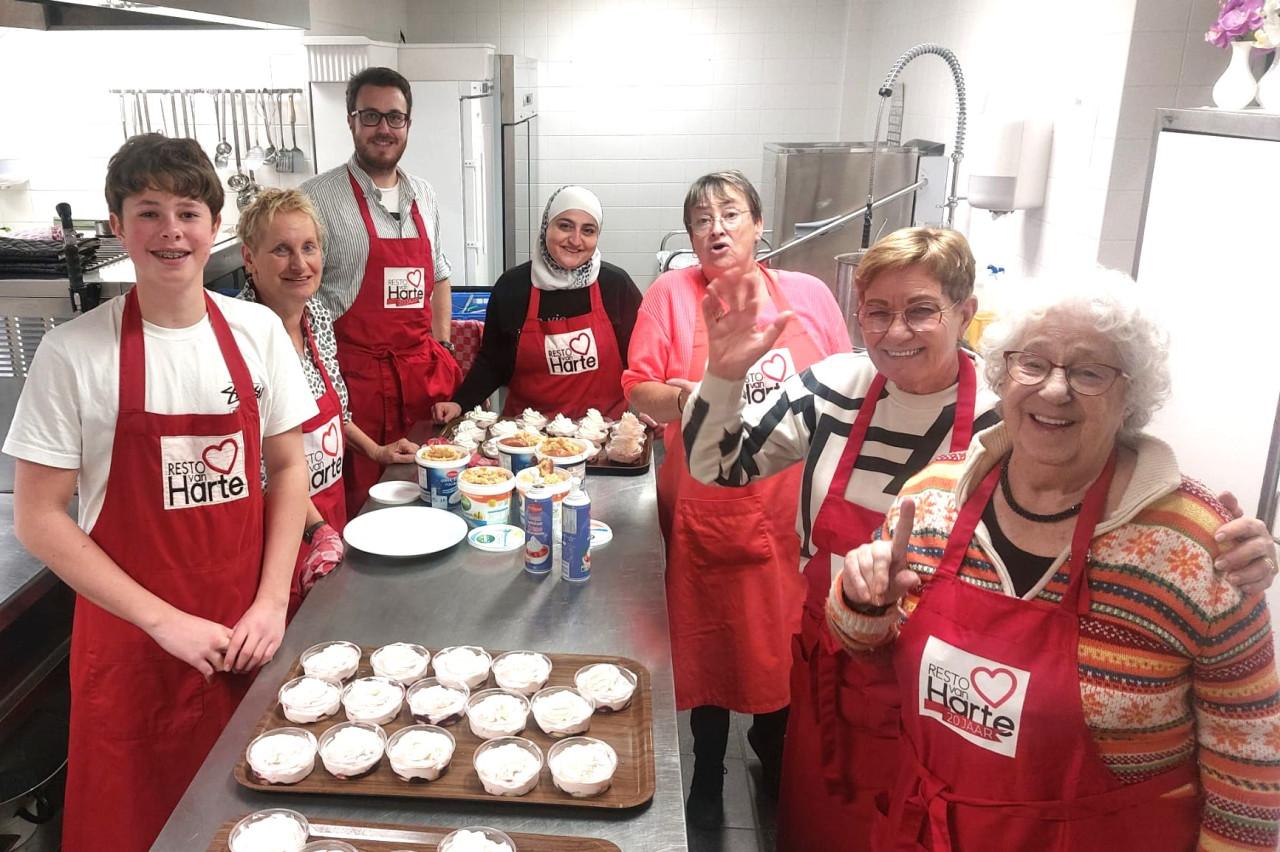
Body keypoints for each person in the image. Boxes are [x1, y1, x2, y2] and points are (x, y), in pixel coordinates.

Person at [681, 228, 1280, 851]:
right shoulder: (841, 395)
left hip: (952, 722)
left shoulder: (1014, 412)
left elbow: (1115, 486)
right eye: (878, 312)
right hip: (846, 656)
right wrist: (723, 376)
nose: (896, 331)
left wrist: (1221, 539)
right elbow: (716, 464)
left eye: (921, 310)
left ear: (965, 313)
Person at [830, 271, 1280, 851]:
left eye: (1090, 372)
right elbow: (865, 648)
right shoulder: (933, 498)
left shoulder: (1196, 550)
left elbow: (1250, 764)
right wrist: (860, 601)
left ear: (1131, 395)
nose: (1054, 389)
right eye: (1033, 363)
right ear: (1004, 374)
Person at [4, 135, 315, 851]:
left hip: (246, 634)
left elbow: (289, 468)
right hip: (134, 650)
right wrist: (164, 623)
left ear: (215, 225)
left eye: (187, 212)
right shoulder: (73, 353)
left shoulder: (257, 332)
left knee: (256, 822)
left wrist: (271, 602)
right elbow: (38, 517)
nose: (170, 231)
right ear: (118, 225)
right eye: (148, 212)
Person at [622, 170, 853, 829]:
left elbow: (847, 384)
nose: (715, 229)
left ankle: (776, 758)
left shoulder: (807, 294)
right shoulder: (671, 295)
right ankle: (707, 770)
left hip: (796, 517)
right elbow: (638, 390)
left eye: (729, 214)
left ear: (758, 224)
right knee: (714, 644)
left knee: (788, 644)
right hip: (710, 511)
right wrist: (697, 396)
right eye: (701, 220)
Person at [236, 188, 418, 617]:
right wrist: (316, 528)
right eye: (281, 250)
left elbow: (337, 414)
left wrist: (376, 451)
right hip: (278, 525)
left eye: (308, 247)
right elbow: (260, 466)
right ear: (249, 258)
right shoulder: (238, 336)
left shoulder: (316, 316)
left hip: (329, 508)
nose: (299, 264)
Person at [303, 66, 460, 516]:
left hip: (421, 381)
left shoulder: (424, 194)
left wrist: (443, 347)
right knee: (362, 508)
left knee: (433, 499)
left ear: (408, 123)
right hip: (356, 388)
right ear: (350, 121)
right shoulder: (316, 197)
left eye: (395, 117)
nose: (384, 128)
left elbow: (439, 275)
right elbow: (297, 296)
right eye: (370, 116)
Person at [433, 185, 642, 422]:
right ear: (545, 227)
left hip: (604, 433)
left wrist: (650, 407)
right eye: (565, 226)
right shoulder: (513, 287)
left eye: (588, 230)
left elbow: (641, 361)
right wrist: (460, 403)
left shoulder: (616, 286)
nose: (576, 240)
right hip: (527, 435)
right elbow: (493, 361)